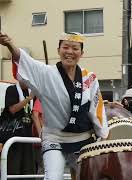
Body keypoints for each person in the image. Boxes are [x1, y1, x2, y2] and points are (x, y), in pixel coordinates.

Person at [0, 32, 109, 180]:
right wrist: (9, 44)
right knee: (53, 177)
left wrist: (103, 136)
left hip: (83, 139)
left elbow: (96, 109)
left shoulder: (89, 78)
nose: (70, 52)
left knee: (91, 176)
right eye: (65, 47)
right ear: (58, 50)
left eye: (75, 48)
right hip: (54, 139)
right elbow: (26, 61)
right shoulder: (45, 74)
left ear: (81, 53)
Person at [4, 81, 35, 179]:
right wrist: (29, 99)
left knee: (28, 170)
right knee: (14, 169)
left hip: (28, 135)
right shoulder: (12, 89)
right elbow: (12, 109)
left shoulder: (32, 91)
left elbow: (34, 114)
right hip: (14, 136)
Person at [32, 98, 44, 176]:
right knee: (43, 168)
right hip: (41, 141)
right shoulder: (41, 99)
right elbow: (35, 116)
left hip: (49, 139)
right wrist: (41, 135)